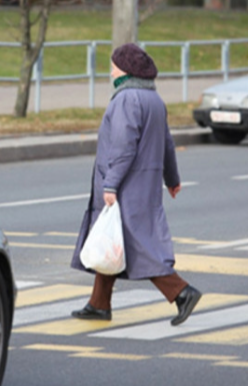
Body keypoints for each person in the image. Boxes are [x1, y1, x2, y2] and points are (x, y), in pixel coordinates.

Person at [70, 43, 202, 326]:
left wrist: (110, 185)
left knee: (135, 244)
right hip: (145, 185)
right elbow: (167, 143)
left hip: (127, 186)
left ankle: (181, 292)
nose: (111, 70)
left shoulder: (126, 99)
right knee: (112, 241)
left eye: (114, 65)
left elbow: (123, 146)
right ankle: (98, 304)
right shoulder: (153, 99)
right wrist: (172, 179)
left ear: (126, 70)